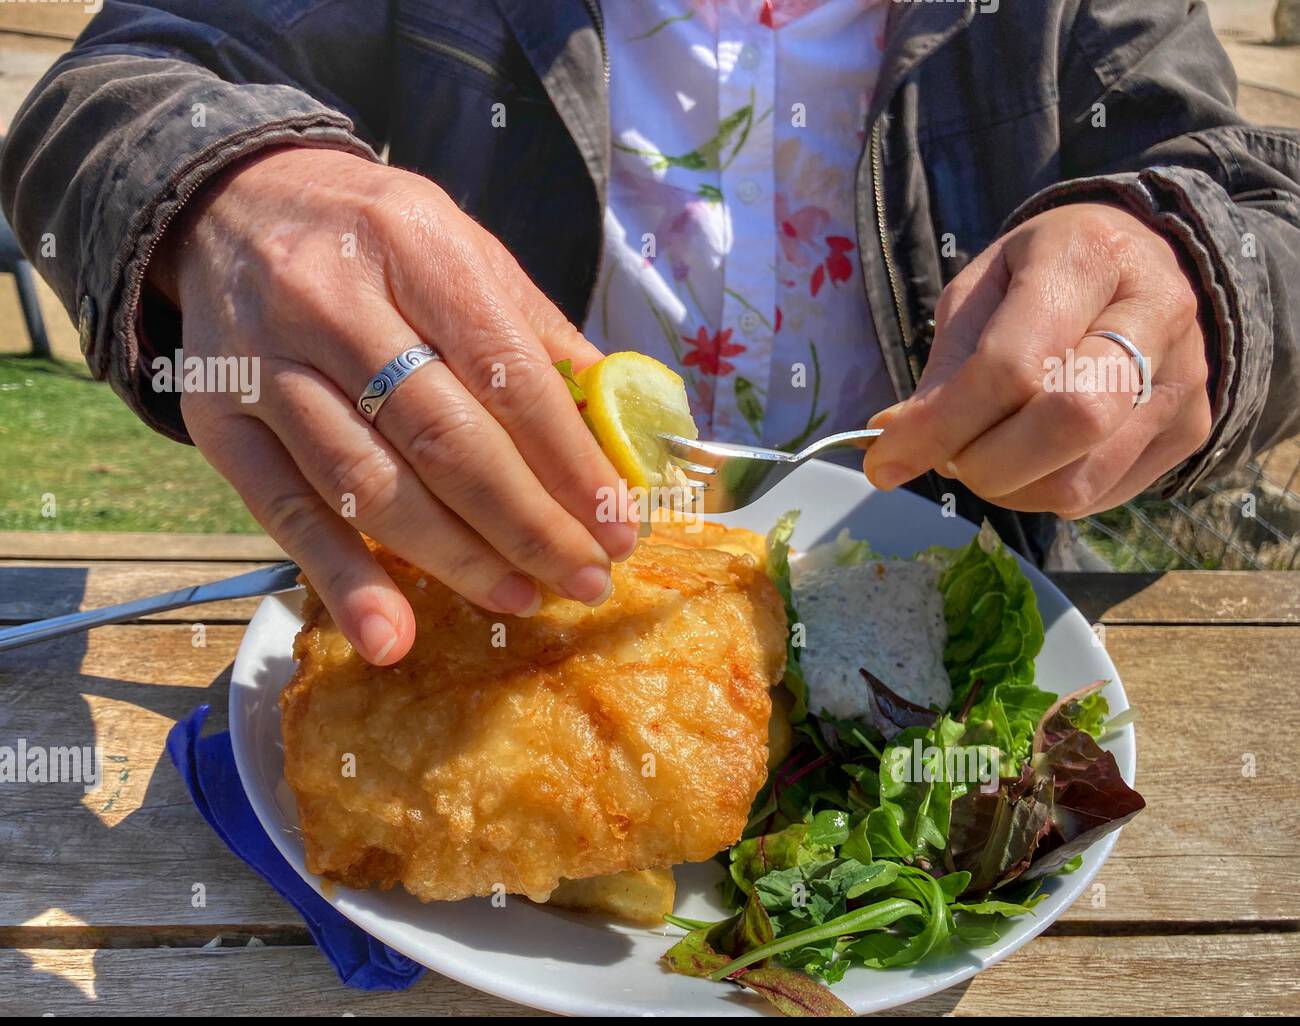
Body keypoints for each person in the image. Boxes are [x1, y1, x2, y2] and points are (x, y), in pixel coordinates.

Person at [3, 0, 1298, 666]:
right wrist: (223, 193)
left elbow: (1260, 206)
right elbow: (116, 86)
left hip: (944, 674)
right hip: (528, 609)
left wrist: (1198, 276)